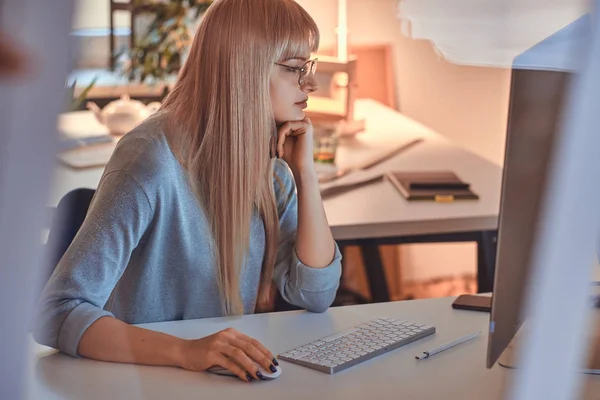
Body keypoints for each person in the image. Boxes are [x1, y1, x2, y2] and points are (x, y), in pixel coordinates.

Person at [33, 0, 342, 383]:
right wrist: (188, 351)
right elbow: (57, 312)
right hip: (137, 382)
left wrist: (305, 173)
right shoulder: (149, 159)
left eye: (308, 67)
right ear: (245, 67)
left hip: (217, 382)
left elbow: (315, 294)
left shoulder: (269, 167)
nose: (310, 83)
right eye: (295, 69)